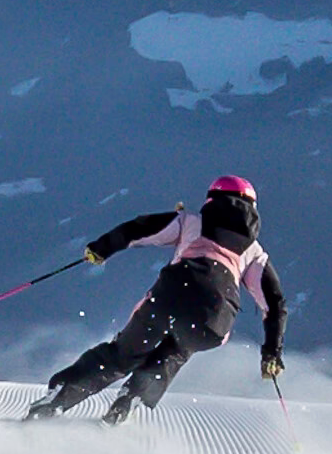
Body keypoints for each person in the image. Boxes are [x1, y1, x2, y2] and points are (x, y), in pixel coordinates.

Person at [25, 175, 286, 423]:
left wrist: (100, 249)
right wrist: (271, 353)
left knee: (122, 354)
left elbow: (139, 229)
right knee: (176, 352)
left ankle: (56, 400)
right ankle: (128, 405)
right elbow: (275, 305)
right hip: (214, 318)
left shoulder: (190, 221)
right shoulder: (255, 253)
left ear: (211, 199)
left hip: (170, 296)